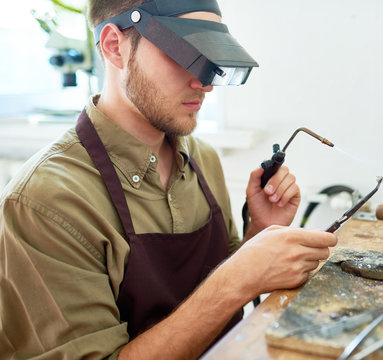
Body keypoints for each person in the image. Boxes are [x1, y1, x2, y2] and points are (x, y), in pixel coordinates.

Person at [0, 0, 338, 359]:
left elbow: (219, 285)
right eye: (184, 54)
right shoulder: (45, 203)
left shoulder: (202, 159)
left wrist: (259, 233)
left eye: (209, 59)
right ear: (115, 46)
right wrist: (235, 280)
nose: (203, 83)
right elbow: (226, 286)